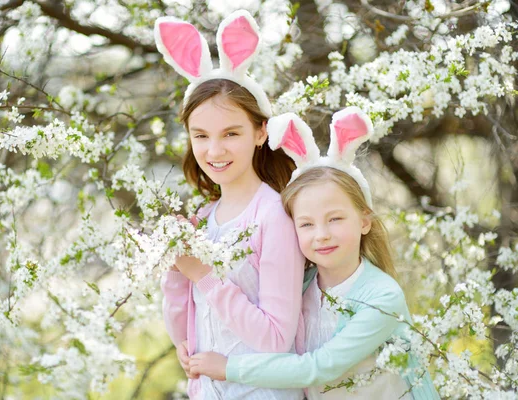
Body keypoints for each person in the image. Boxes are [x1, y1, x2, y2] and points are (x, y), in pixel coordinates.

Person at [189, 108, 440, 399]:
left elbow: (318, 368)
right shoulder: (304, 287)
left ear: (364, 221)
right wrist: (190, 342)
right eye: (306, 224)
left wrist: (230, 368)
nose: (321, 234)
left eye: (335, 219)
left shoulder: (382, 298)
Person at [155, 10, 306, 400]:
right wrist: (174, 267)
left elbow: (275, 338)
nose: (214, 150)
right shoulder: (204, 217)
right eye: (201, 135)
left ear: (259, 132)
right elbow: (185, 334)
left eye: (231, 133)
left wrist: (203, 273)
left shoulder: (273, 215)